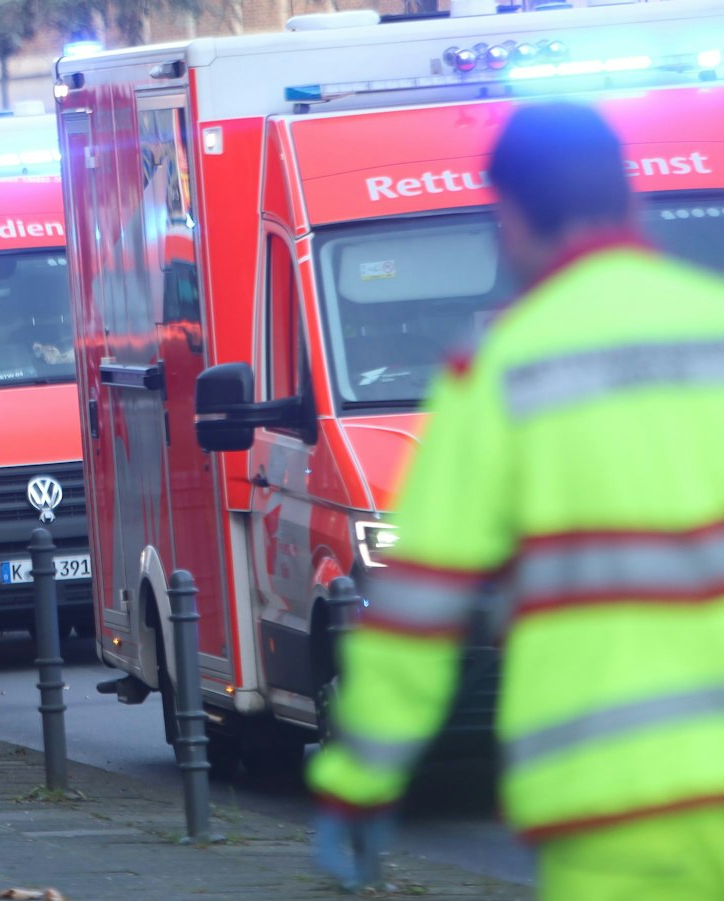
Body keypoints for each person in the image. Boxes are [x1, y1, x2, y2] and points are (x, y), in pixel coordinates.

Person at [310, 101, 724, 898]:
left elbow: (421, 601)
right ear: (629, 200)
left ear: (515, 219)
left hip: (610, 799)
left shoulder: (501, 371)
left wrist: (359, 778)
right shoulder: (713, 331)